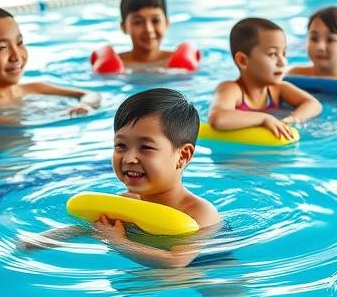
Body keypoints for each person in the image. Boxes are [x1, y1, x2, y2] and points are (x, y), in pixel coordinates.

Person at [23, 89, 221, 269]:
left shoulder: (200, 212)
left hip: (212, 266)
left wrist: (118, 242)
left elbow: (176, 261)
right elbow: (91, 227)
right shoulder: (127, 202)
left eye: (146, 147)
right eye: (121, 146)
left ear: (183, 156)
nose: (129, 158)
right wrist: (39, 241)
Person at [0, 6, 100, 123]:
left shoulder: (36, 88)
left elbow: (90, 94)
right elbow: (15, 127)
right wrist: (63, 115)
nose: (16, 56)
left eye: (19, 43)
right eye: (2, 48)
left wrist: (84, 106)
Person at [208, 17, 322, 139]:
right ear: (243, 60)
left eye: (283, 54)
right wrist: (264, 118)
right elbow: (218, 118)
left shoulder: (278, 89)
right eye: (272, 54)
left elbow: (313, 104)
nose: (282, 62)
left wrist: (293, 118)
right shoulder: (232, 89)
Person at [117, 0, 176, 67]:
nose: (148, 29)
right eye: (138, 22)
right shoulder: (115, 64)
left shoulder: (179, 62)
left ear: (166, 23)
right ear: (124, 27)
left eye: (155, 21)